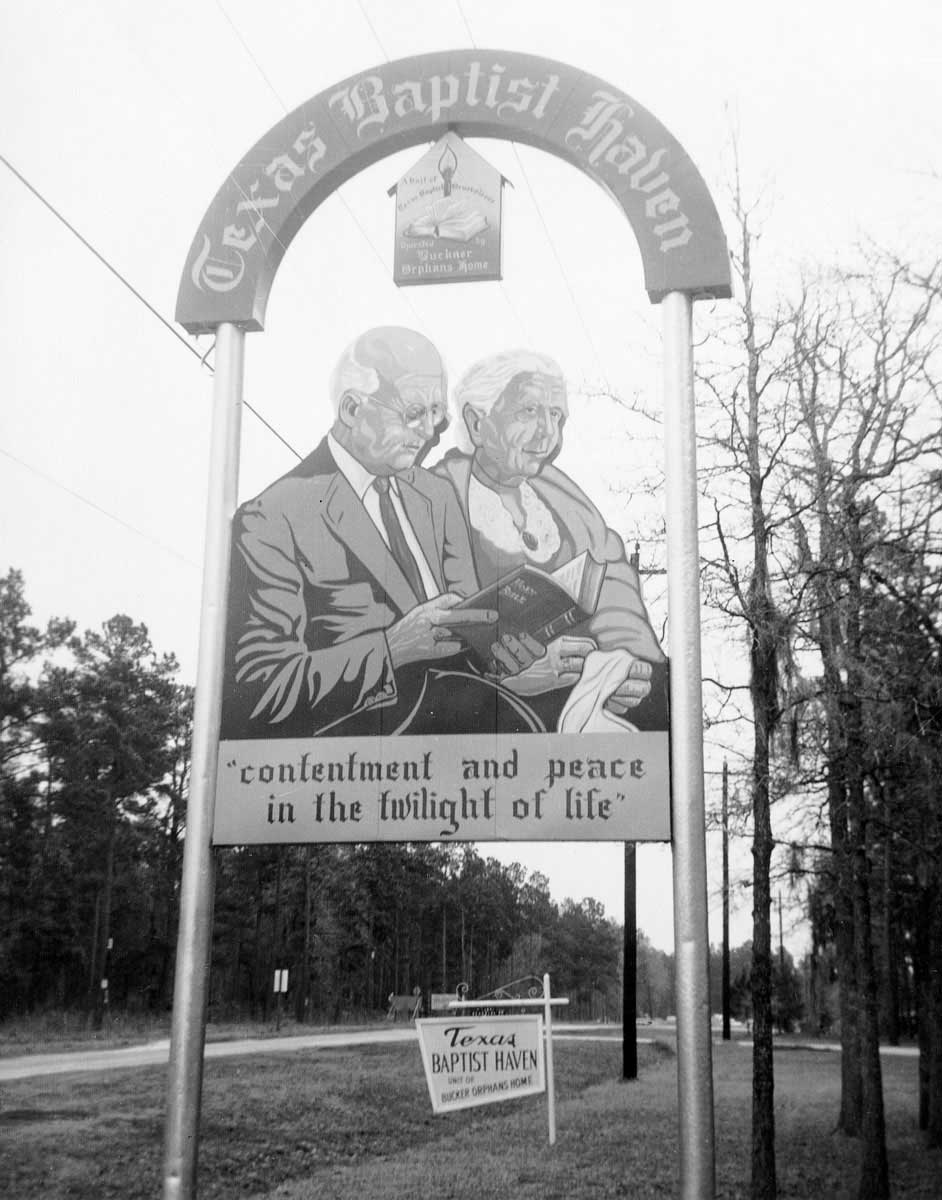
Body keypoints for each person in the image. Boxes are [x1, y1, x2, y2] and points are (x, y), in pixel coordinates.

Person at [220, 327, 540, 740]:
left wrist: (508, 655)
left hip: (456, 750)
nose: (430, 431)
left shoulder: (436, 496)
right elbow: (258, 691)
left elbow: (465, 634)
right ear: (352, 409)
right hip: (350, 769)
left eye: (438, 413)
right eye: (413, 413)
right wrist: (392, 648)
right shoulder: (271, 517)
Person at [432, 349, 668, 731]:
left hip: (577, 732)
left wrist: (631, 669)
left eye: (556, 416)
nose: (548, 433)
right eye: (529, 411)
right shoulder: (432, 498)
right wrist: (507, 674)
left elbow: (618, 601)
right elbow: (432, 638)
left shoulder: (569, 502)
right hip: (477, 738)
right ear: (477, 423)